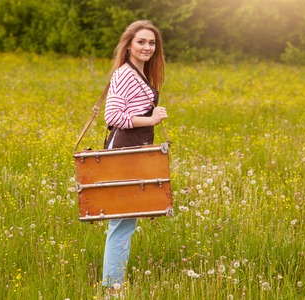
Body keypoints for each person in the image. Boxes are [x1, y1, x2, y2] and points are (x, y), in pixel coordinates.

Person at [102, 20, 168, 291]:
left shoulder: (140, 74)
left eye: (151, 43)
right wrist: (151, 120)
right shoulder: (124, 75)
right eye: (141, 42)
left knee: (125, 223)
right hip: (123, 152)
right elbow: (113, 116)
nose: (147, 47)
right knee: (121, 225)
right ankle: (112, 291)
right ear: (128, 45)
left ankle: (113, 286)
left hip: (135, 151)